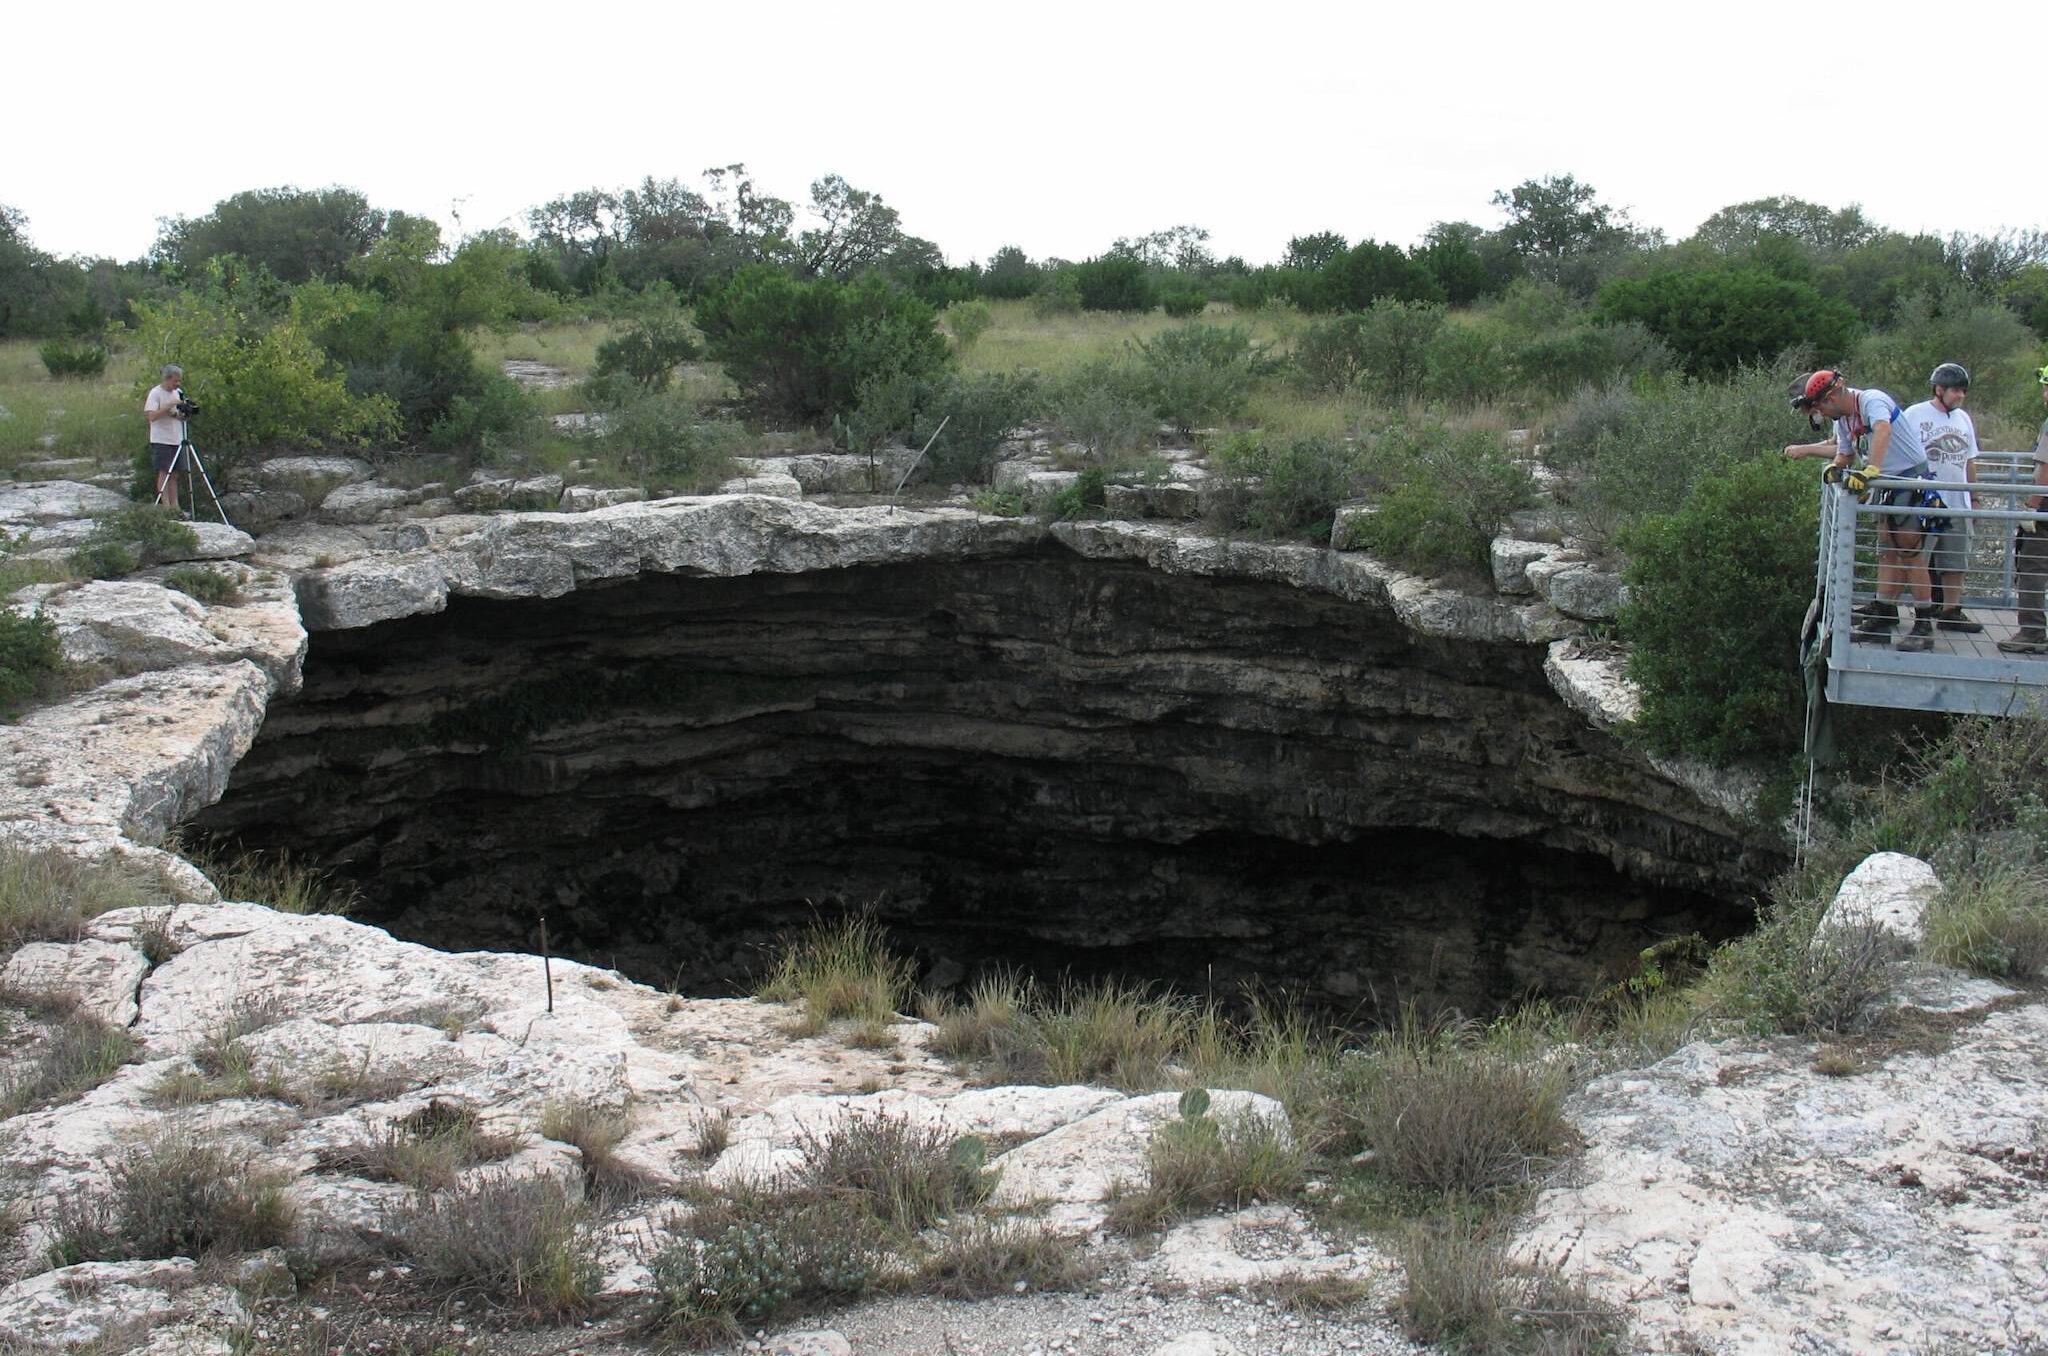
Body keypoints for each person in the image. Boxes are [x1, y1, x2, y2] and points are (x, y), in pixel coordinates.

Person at [1784, 368, 1935, 651]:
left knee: (1910, 553)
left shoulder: (1871, 400)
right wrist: (1835, 468)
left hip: (1908, 480)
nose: (1821, 414)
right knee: (1888, 549)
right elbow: (1844, 454)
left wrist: (1870, 470)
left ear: (1830, 398)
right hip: (1889, 483)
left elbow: (1883, 429)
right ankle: (1884, 611)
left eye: (1820, 407)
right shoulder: (1843, 420)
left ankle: (1924, 624)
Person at [1905, 363, 1981, 633]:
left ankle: (1951, 610)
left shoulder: (1963, 419)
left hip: (1956, 501)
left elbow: (1970, 461)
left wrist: (1974, 496)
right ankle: (1922, 613)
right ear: (1939, 390)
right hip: (1924, 500)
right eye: (1956, 390)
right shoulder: (1915, 414)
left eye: (1963, 391)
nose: (1960, 396)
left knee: (1955, 560)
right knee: (1920, 559)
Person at [1997, 363, 2048, 655]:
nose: (2043, 393)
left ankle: (2031, 632)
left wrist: (2032, 506)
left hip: (2045, 507)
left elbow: (2047, 466)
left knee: (2032, 568)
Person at [143, 365, 186, 515]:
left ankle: (176, 505)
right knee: (164, 471)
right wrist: (167, 407)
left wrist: (179, 413)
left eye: (179, 381)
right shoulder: (155, 393)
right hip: (161, 439)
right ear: (167, 379)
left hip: (177, 438)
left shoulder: (179, 393)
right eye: (175, 381)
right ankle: (165, 504)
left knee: (175, 473)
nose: (177, 384)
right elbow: (152, 417)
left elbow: (180, 416)